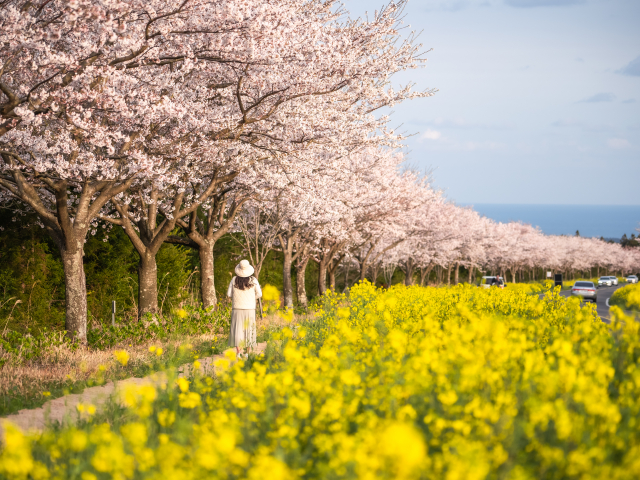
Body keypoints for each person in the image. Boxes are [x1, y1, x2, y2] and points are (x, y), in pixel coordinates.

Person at [227, 260, 262, 358]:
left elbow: (229, 294)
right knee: (249, 330)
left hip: (237, 309)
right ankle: (247, 353)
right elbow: (259, 294)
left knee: (237, 330)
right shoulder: (253, 280)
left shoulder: (234, 280)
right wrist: (251, 298)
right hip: (250, 309)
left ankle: (238, 353)